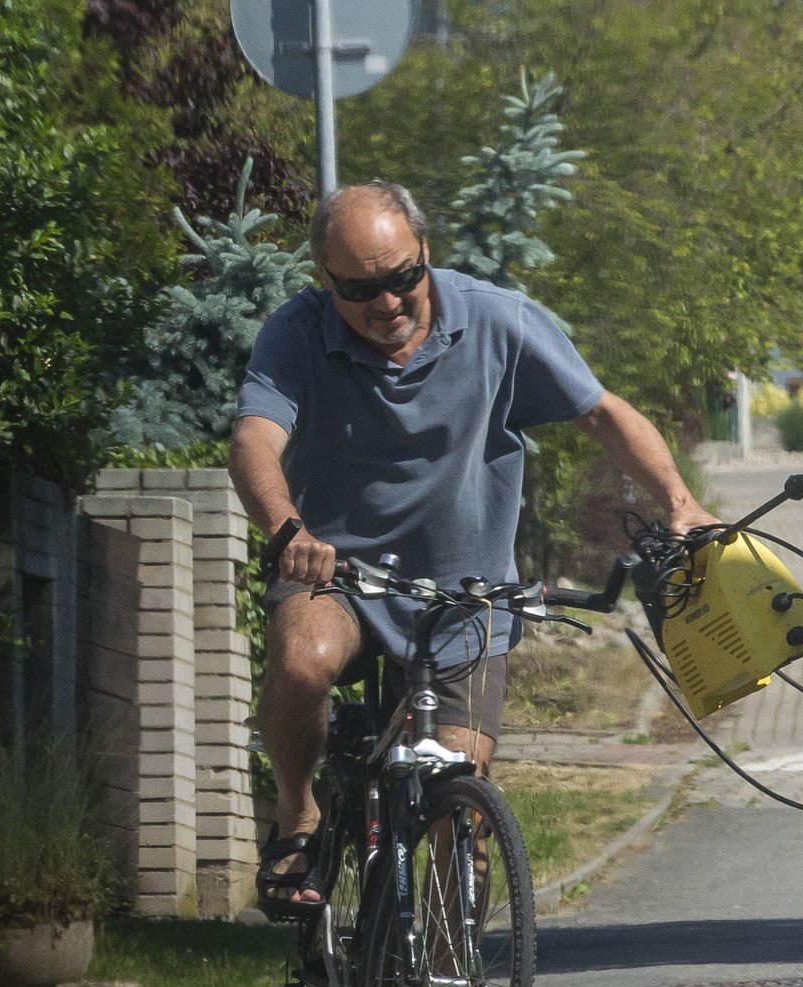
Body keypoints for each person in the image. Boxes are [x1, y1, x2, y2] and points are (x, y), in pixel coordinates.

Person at [230, 180, 715, 920]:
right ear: (325, 281)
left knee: (467, 801)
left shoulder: (498, 320)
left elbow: (602, 413)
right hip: (338, 575)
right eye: (361, 290)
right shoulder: (295, 333)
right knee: (301, 661)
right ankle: (298, 816)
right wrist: (288, 530)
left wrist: (679, 501)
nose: (388, 303)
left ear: (425, 251)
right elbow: (255, 440)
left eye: (402, 278)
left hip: (466, 601)